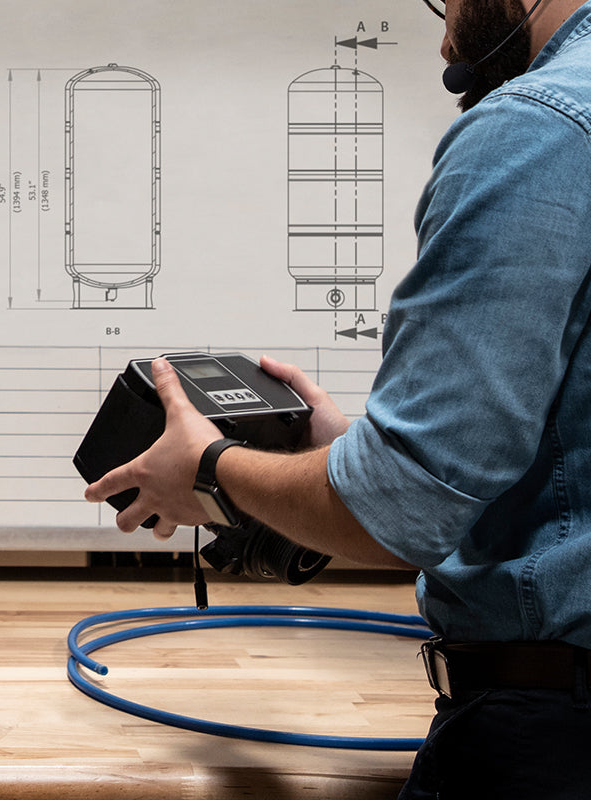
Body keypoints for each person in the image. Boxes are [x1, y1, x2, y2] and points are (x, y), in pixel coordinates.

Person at [84, 1, 591, 796]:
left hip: (551, 736)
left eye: (450, 0)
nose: (449, 37)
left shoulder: (536, 128)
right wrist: (354, 446)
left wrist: (211, 467)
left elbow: (400, 512)